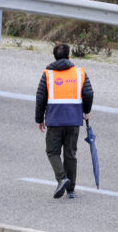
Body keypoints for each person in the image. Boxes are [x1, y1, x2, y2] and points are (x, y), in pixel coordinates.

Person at [35, 44, 93, 199]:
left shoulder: (48, 75)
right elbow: (88, 93)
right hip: (73, 120)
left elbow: (40, 98)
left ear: (54, 57)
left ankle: (62, 178)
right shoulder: (80, 73)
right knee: (70, 154)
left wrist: (39, 119)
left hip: (55, 120)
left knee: (52, 151)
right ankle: (71, 189)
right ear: (69, 56)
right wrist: (86, 112)